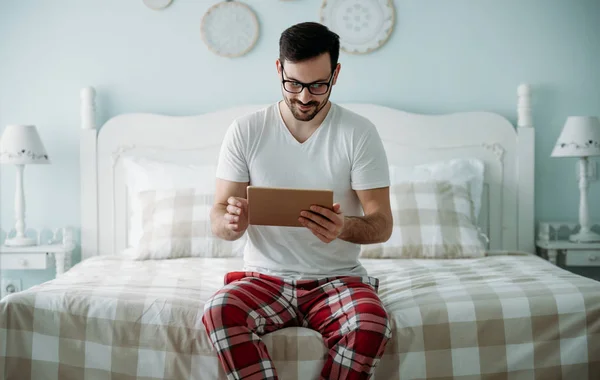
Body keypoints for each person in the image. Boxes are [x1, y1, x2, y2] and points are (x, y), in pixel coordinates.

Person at [202, 21, 393, 380]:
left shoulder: (359, 133)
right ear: (279, 69)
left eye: (318, 85)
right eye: (294, 84)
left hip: (338, 279)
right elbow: (218, 213)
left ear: (336, 74)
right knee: (217, 312)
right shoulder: (246, 130)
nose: (305, 97)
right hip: (264, 277)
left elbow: (382, 224)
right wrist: (230, 223)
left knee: (372, 324)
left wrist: (344, 227)